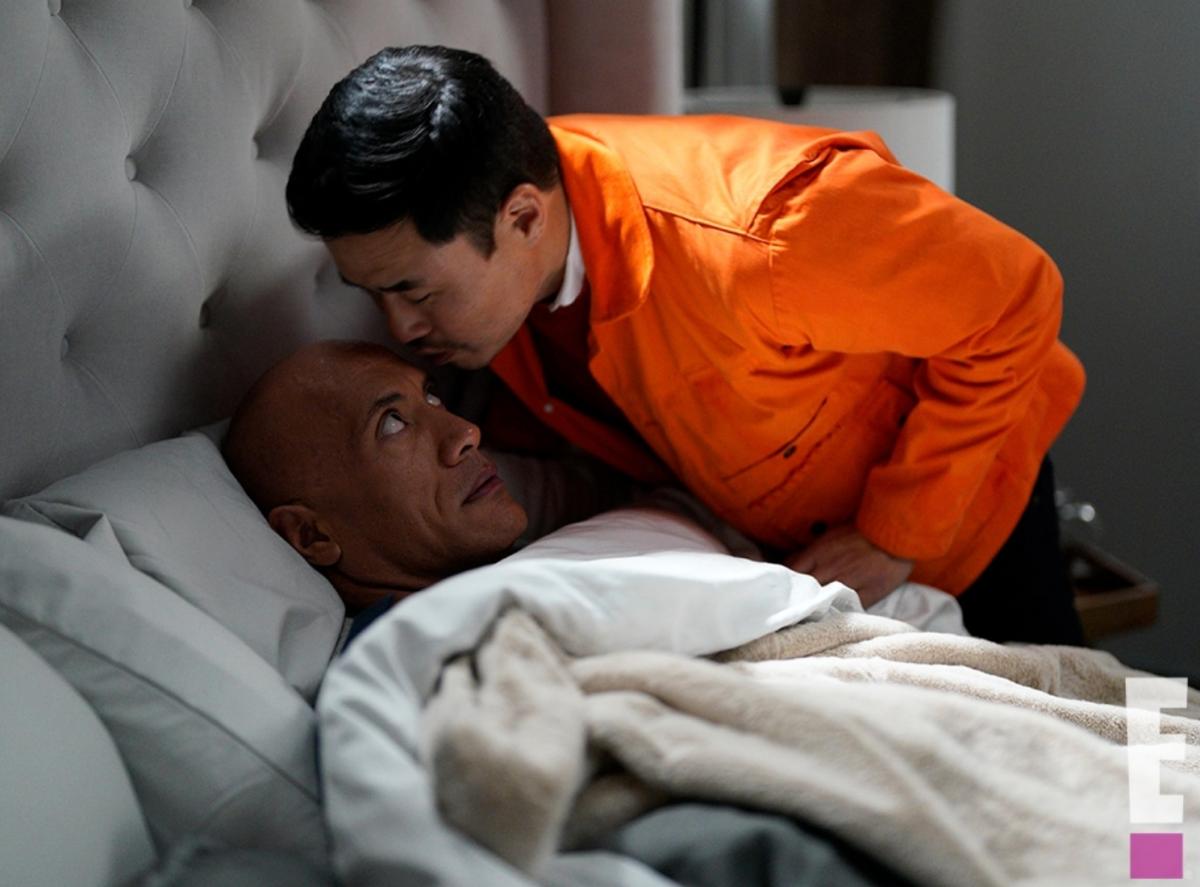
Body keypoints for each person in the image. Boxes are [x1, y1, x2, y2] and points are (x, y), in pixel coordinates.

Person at [284, 46, 1087, 645]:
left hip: (977, 507)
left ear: (523, 218)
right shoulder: (515, 255)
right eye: (374, 294)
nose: (400, 330)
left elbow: (1018, 295)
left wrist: (894, 534)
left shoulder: (768, 234)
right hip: (799, 555)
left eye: (415, 291)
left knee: (1104, 754)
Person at [222, 340, 529, 618]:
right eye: (392, 425)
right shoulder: (432, 650)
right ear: (312, 535)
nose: (467, 432)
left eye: (431, 397)